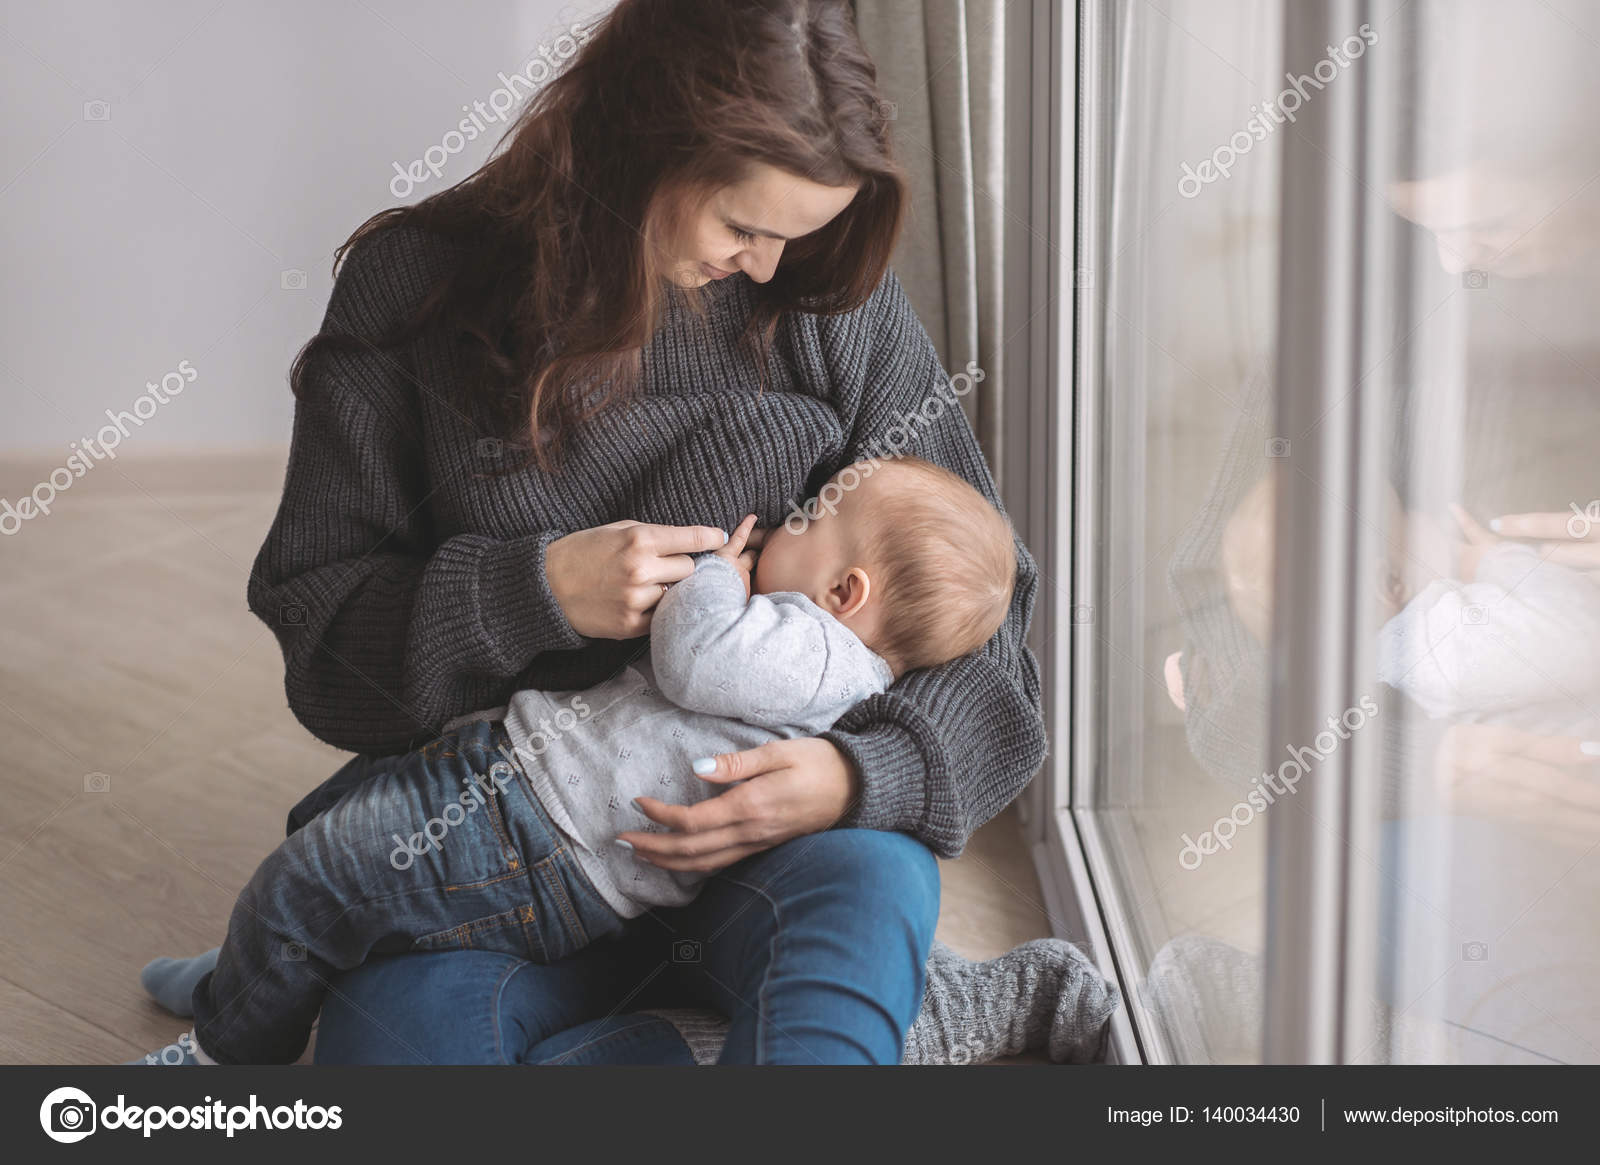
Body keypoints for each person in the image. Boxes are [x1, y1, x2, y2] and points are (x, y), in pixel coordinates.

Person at [143, 0, 1063, 1065]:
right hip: (497, 861)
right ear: (639, 148)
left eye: (791, 236)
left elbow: (989, 633)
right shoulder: (416, 291)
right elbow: (327, 652)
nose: (766, 267)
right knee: (396, 1049)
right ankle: (740, 1035)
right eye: (740, 226)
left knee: (873, 883)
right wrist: (528, 590)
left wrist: (855, 778)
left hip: (768, 859)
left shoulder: (825, 308)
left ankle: (766, 1023)